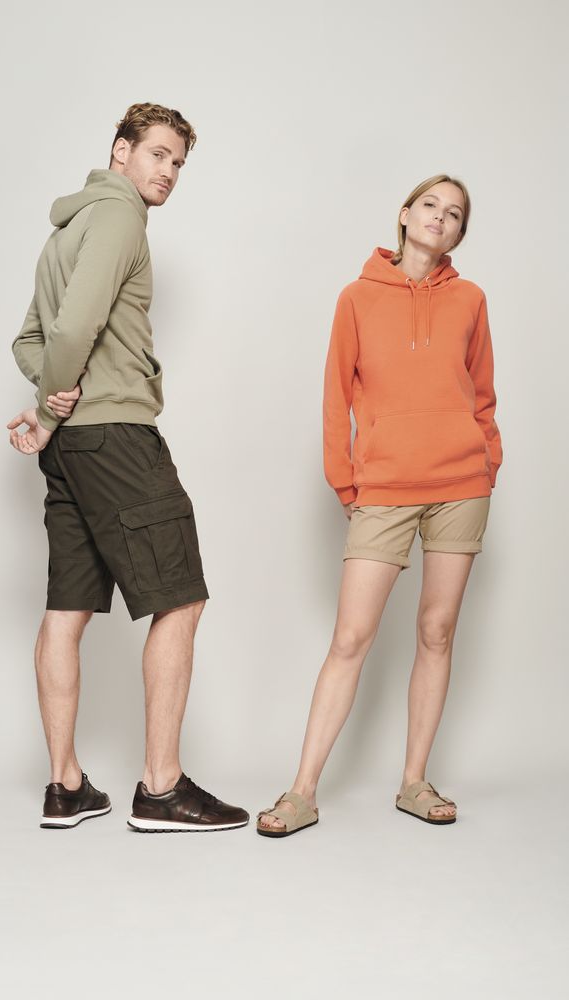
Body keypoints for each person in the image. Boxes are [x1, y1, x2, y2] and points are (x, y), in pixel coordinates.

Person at [8, 102, 248, 833]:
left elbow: (27, 341)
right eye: (157, 154)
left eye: (178, 162)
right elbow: (73, 328)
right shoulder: (117, 217)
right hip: (114, 436)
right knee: (180, 597)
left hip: (71, 451)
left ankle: (65, 786)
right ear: (121, 151)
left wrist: (49, 410)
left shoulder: (66, 229)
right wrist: (52, 405)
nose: (168, 171)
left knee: (66, 609)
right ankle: (161, 789)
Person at [257, 174, 502, 836]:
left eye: (454, 214)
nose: (439, 217)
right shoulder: (357, 297)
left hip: (460, 486)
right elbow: (335, 395)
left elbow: (482, 395)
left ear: (459, 233)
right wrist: (346, 482)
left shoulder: (471, 299)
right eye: (430, 205)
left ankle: (414, 782)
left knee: (436, 631)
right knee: (350, 638)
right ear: (404, 214)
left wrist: (488, 460)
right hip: (385, 488)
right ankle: (302, 792)